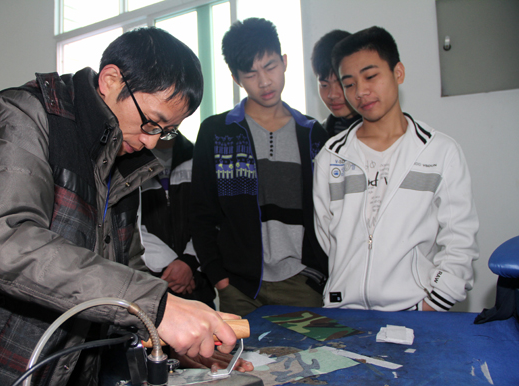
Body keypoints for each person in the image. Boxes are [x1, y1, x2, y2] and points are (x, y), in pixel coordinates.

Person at [0, 27, 245, 386]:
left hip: (68, 374)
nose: (152, 141)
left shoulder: (126, 163)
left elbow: (126, 271)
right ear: (110, 80)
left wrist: (167, 338)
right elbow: (5, 242)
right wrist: (157, 308)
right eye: (151, 123)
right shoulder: (21, 116)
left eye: (167, 132)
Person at [313, 26, 479, 311]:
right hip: (344, 316)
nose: (361, 91)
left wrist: (430, 306)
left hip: (414, 313)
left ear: (398, 73)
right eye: (349, 84)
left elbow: (460, 242)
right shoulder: (331, 156)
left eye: (370, 76)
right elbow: (329, 239)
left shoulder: (439, 152)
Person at [190, 18, 331, 317]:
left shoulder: (313, 134)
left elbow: (330, 213)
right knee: (243, 350)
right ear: (236, 78)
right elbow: (201, 212)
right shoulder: (217, 132)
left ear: (284, 62)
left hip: (302, 283)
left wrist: (317, 274)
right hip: (240, 288)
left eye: (270, 66)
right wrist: (219, 277)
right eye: (251, 74)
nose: (264, 81)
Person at [140, 135, 216, 308]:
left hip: (198, 283)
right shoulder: (131, 161)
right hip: (148, 286)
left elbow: (212, 218)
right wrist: (172, 266)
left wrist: (190, 261)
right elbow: (129, 225)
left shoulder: (199, 157)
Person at [311, 29, 362, 137]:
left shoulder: (383, 132)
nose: (332, 95)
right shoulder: (317, 137)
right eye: (324, 85)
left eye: (341, 84)